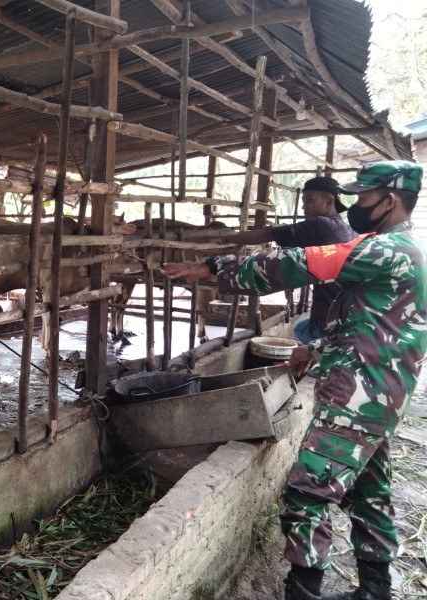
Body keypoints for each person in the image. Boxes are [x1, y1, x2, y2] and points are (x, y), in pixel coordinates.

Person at [160, 160, 427, 600]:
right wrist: (318, 350)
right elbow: (376, 325)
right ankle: (376, 589)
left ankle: (302, 594)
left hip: (359, 399)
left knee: (307, 492)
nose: (353, 206)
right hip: (380, 395)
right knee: (370, 490)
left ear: (390, 200)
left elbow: (300, 263)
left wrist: (215, 268)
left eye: (361, 197)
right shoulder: (403, 250)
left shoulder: (386, 250)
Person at [212, 177, 355, 344]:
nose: (303, 206)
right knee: (303, 330)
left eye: (309, 200)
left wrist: (228, 239)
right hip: (342, 313)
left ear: (329, 201)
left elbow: (269, 234)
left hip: (329, 317)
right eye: (303, 201)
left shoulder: (322, 225)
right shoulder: (348, 229)